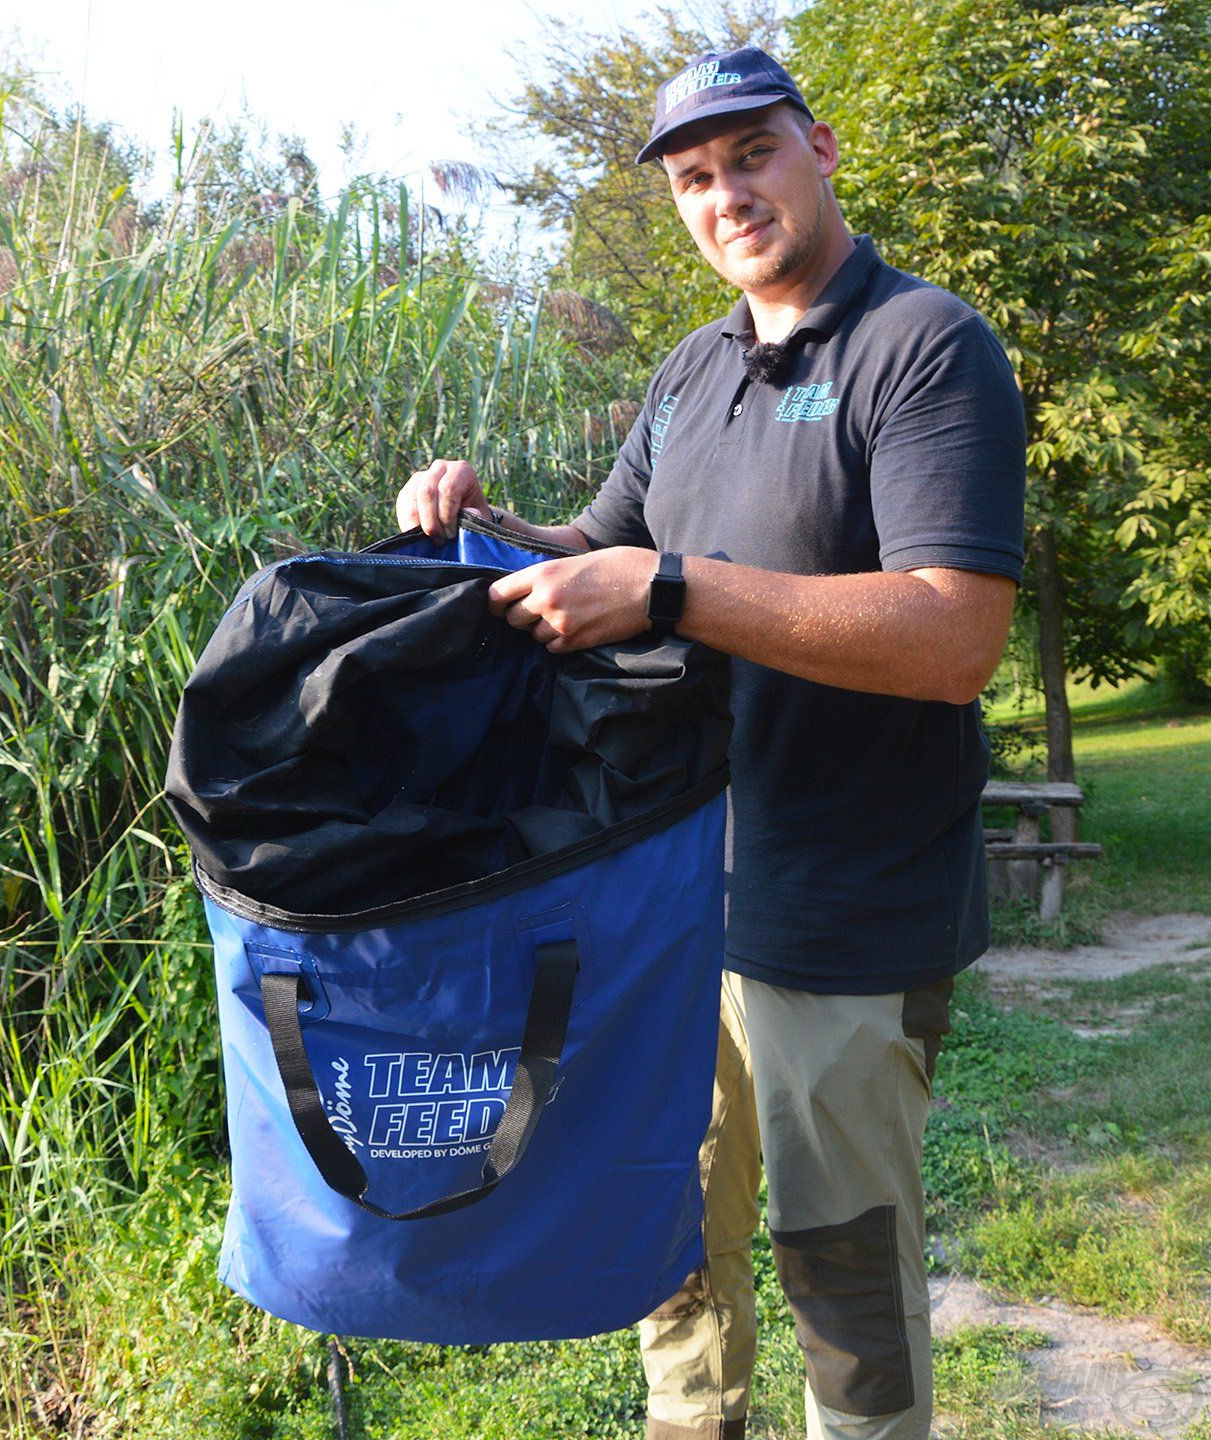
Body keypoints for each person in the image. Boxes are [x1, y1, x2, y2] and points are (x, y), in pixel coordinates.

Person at [395, 44, 1026, 1440]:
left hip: (848, 917)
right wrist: (485, 526)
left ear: (823, 151)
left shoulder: (922, 346)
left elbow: (951, 633)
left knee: (841, 1276)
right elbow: (606, 550)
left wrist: (676, 589)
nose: (725, 194)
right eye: (694, 177)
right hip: (672, 909)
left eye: (751, 156)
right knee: (666, 1258)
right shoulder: (691, 371)